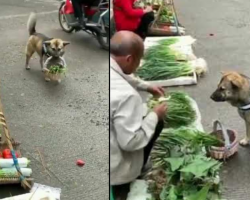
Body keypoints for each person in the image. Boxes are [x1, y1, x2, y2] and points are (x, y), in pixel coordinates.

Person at [110, 31, 167, 200]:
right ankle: (129, 176)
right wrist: (155, 115)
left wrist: (146, 86)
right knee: (155, 121)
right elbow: (130, 142)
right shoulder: (127, 96)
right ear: (129, 59)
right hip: (112, 169)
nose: (139, 64)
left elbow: (123, 75)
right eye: (138, 59)